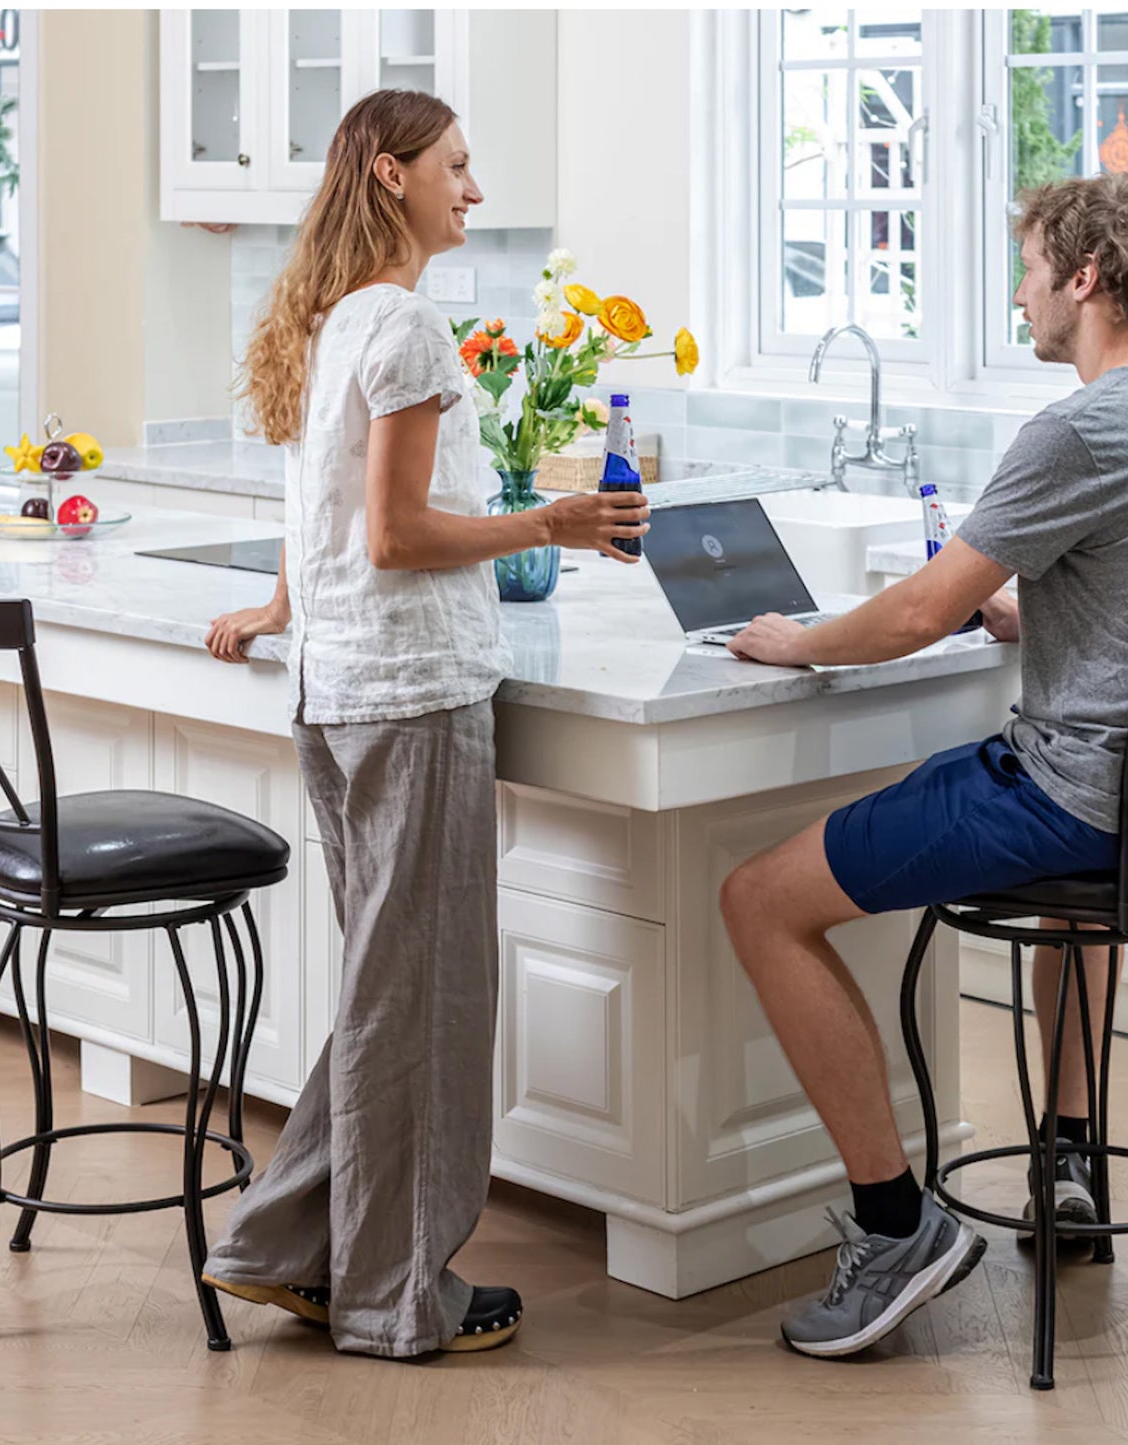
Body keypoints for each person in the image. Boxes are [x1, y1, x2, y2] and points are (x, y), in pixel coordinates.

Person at [720, 172, 1128, 1359]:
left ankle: (893, 1224)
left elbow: (918, 609)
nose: (1018, 295)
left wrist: (796, 640)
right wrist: (1044, 615)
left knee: (756, 898)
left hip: (1077, 802)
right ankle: (1064, 1158)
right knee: (1069, 918)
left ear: (1080, 278)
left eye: (1026, 269)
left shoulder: (1081, 424)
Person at [197, 89, 649, 1359]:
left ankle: (287, 1248)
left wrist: (287, 601)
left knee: (385, 991)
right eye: (456, 164)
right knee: (428, 1002)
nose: (473, 186)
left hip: (341, 690)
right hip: (412, 695)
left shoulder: (336, 319)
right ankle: (398, 1295)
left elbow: (325, 507)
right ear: (392, 176)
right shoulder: (400, 323)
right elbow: (396, 532)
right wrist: (549, 524)